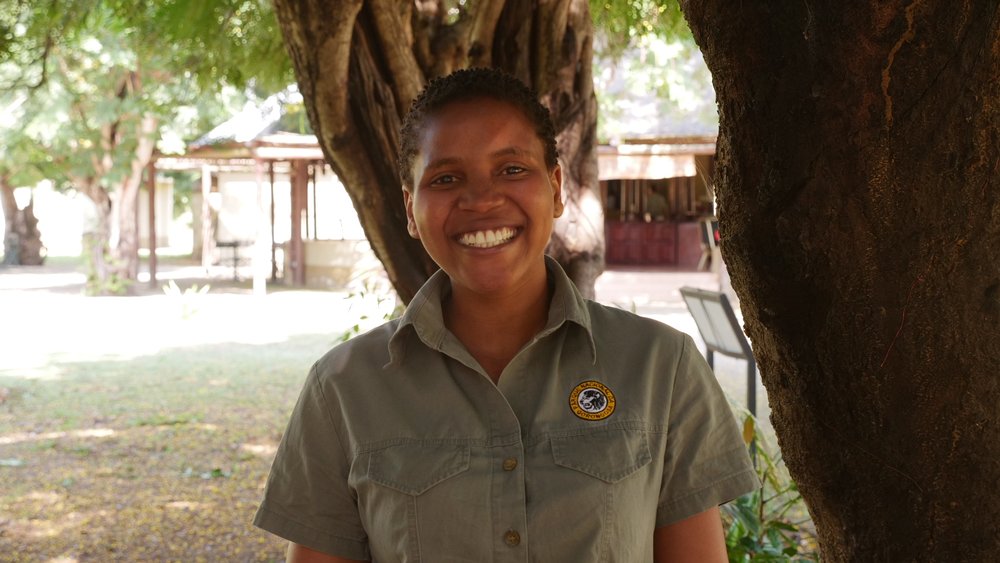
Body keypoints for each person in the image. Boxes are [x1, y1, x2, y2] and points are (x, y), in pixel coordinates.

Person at [254, 67, 758, 562]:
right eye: (446, 178)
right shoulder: (343, 388)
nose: (482, 200)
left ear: (557, 187)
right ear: (410, 209)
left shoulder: (660, 367)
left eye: (512, 169)